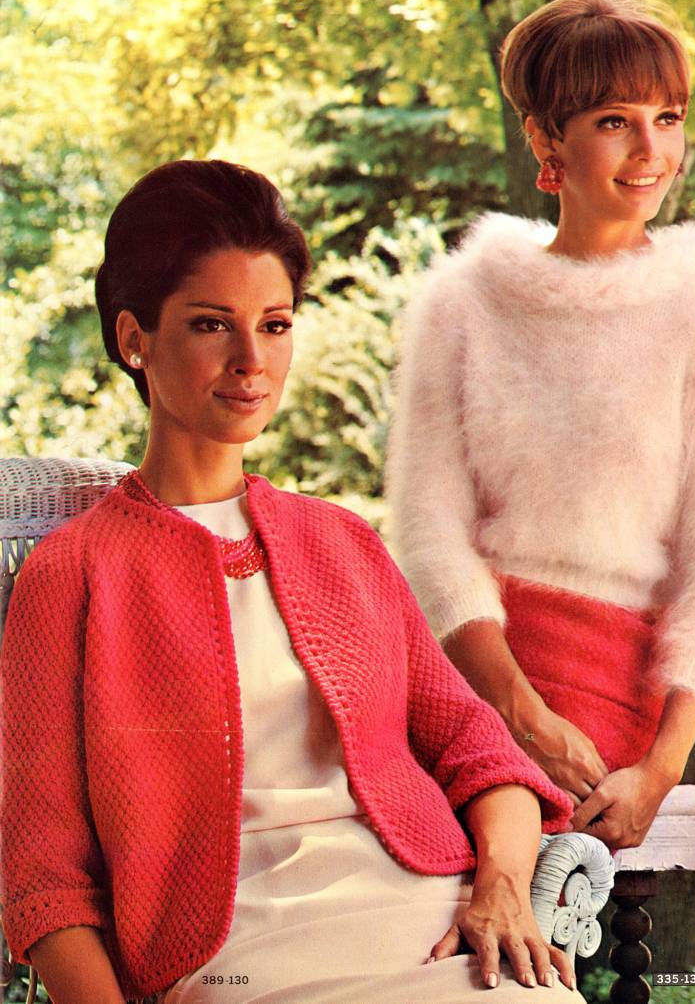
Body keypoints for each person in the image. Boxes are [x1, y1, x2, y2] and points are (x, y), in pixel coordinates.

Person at [0, 159, 583, 1004]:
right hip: (238, 957)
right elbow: (44, 878)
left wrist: (501, 886)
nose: (251, 360)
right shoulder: (73, 575)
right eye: (211, 325)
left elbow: (482, 755)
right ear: (133, 338)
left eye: (274, 325)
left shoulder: (341, 543)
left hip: (437, 927)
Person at [386, 0, 695, 852]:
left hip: (611, 687)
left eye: (668, 118)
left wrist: (660, 770)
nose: (651, 152)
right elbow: (429, 529)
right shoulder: (461, 301)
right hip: (461, 669)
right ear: (545, 140)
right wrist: (517, 711)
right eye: (614, 121)